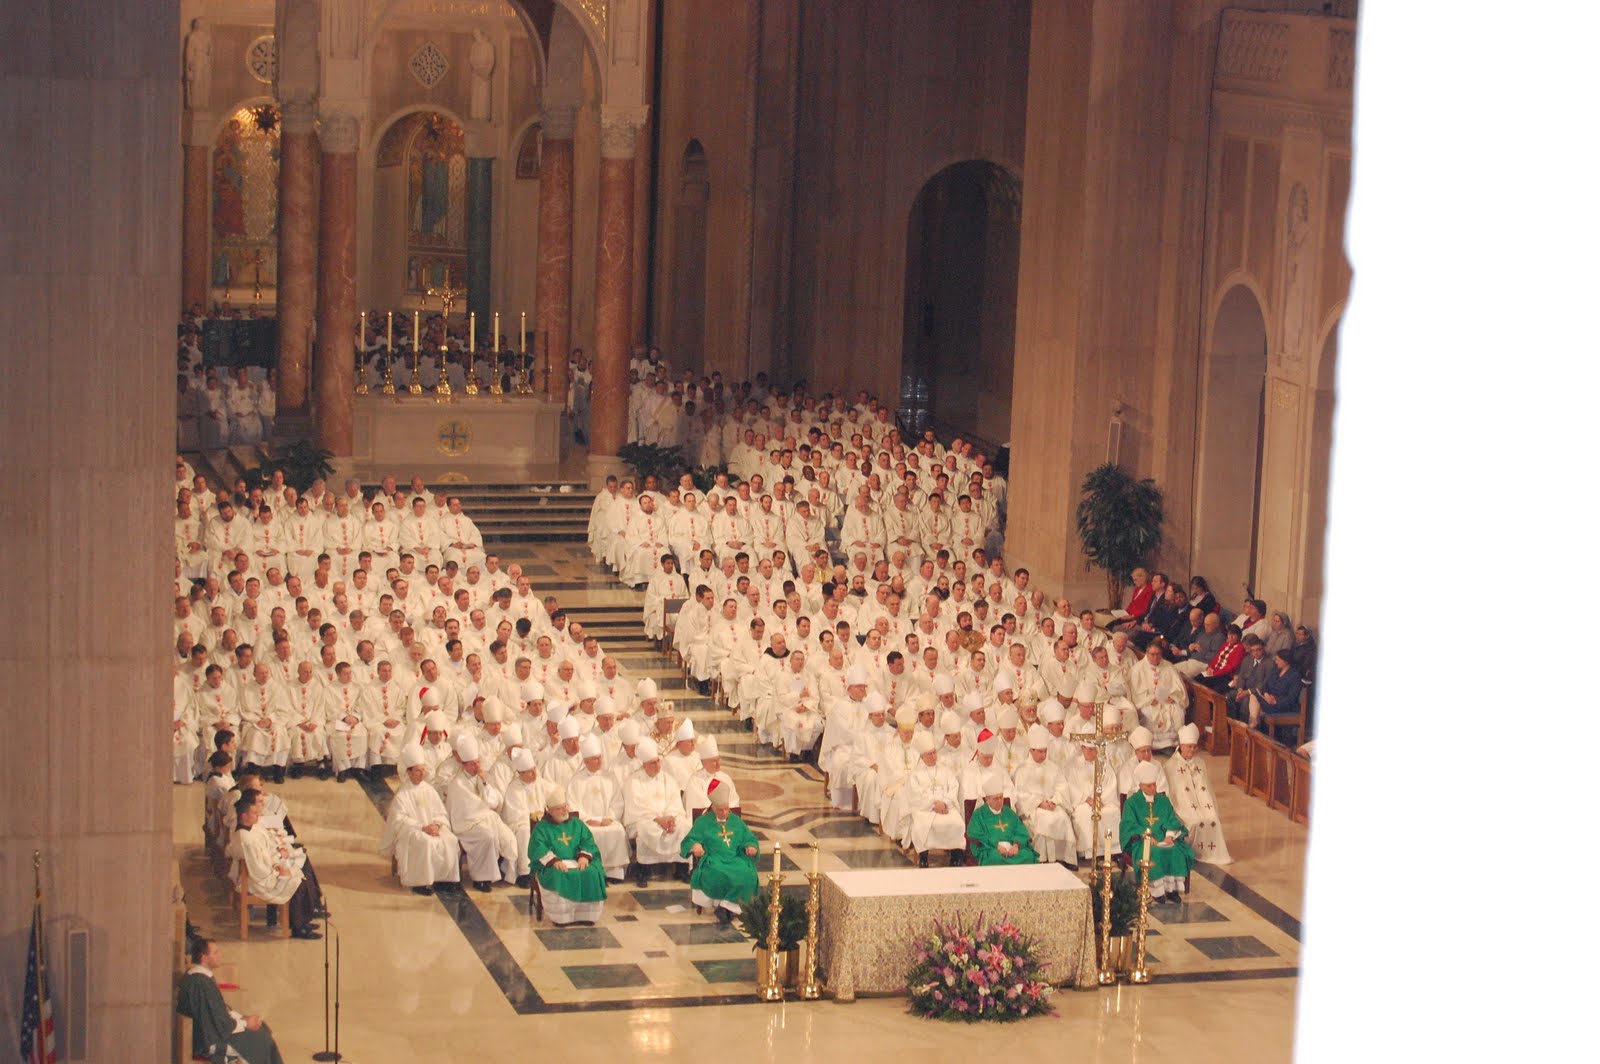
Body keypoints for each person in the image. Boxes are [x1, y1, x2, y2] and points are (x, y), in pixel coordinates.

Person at [177, 937, 286, 1064]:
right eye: (215, 952)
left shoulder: (198, 977)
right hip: (209, 1041)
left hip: (213, 1032)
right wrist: (245, 1023)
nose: (220, 955)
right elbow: (219, 1023)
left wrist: (242, 1018)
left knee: (263, 1029)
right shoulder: (201, 984)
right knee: (263, 1041)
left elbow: (217, 1012)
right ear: (204, 958)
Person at [233, 795, 321, 938]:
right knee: (297, 881)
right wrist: (278, 872)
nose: (258, 815)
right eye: (254, 813)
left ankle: (303, 921)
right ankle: (298, 928)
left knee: (299, 872)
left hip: (266, 870)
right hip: (260, 881)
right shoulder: (245, 839)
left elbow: (263, 856)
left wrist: (276, 863)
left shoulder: (249, 830)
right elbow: (258, 870)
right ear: (244, 816)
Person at [380, 743, 462, 895]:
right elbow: (399, 820)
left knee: (450, 840)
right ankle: (420, 882)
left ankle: (445, 880)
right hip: (411, 832)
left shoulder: (429, 789)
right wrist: (422, 827)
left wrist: (437, 825)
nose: (422, 774)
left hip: (432, 827)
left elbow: (440, 812)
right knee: (426, 843)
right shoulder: (403, 794)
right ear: (409, 772)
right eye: (418, 771)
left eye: (423, 770)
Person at [680, 778, 760, 924]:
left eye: (727, 809)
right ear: (713, 808)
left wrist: (751, 846)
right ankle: (731, 907)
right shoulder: (703, 822)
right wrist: (695, 846)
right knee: (719, 873)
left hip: (735, 858)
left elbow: (749, 838)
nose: (724, 813)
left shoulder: (736, 821)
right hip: (714, 860)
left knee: (748, 873)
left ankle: (725, 907)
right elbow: (689, 840)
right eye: (720, 810)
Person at [529, 786, 608, 925]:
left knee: (592, 872)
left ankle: (586, 916)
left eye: (565, 806)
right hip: (553, 864)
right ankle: (562, 918)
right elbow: (537, 847)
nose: (565, 810)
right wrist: (554, 861)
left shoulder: (577, 824)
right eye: (559, 808)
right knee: (558, 874)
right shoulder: (542, 828)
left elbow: (588, 841)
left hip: (577, 860)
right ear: (550, 811)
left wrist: (584, 856)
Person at [1119, 761, 1195, 902]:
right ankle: (1156, 891)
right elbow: (1128, 825)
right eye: (1149, 786)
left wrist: (1169, 836)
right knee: (1154, 852)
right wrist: (1146, 835)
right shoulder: (1132, 803)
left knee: (1175, 850)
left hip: (1163, 838)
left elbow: (1171, 819)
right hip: (1142, 841)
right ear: (1141, 785)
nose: (1154, 788)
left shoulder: (1163, 800)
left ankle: (1171, 889)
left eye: (1154, 784)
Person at [1163, 723, 1232, 863]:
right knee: (1195, 822)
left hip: (1202, 805)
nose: (1192, 750)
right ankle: (1192, 850)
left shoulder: (1200, 763)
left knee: (1212, 819)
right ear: (1181, 746)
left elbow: (1206, 789)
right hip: (1183, 807)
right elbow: (1173, 793)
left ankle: (1211, 853)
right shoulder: (1170, 766)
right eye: (1189, 746)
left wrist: (1209, 807)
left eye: (1194, 747)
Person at [966, 769, 1039, 866]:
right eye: (996, 798)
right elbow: (974, 833)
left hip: (1012, 849)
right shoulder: (979, 815)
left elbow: (1020, 830)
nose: (1000, 801)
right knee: (994, 858)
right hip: (992, 849)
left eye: (1001, 797)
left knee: (1028, 856)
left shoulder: (1009, 812)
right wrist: (997, 846)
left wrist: (1016, 846)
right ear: (987, 799)